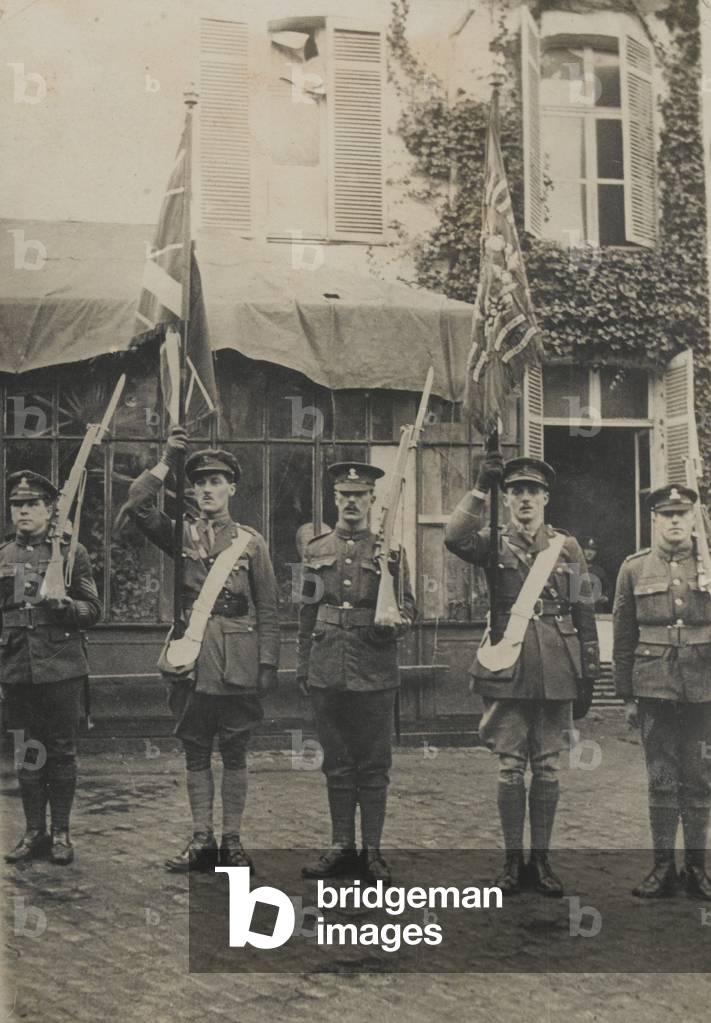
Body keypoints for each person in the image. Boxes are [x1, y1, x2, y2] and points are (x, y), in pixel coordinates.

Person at [444, 454, 599, 896]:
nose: (525, 499)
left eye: (533, 492)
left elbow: (584, 610)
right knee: (511, 765)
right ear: (507, 498)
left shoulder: (564, 547)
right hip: (507, 665)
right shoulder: (492, 541)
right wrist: (478, 489)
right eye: (516, 491)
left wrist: (588, 671)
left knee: (548, 767)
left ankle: (543, 863)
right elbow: (454, 538)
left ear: (546, 498)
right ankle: (512, 863)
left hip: (556, 666)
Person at [125, 428, 279, 872]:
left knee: (234, 750)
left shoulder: (250, 542)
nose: (207, 489)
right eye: (200, 482)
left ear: (231, 487)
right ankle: (201, 840)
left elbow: (268, 607)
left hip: (237, 662)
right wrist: (167, 458)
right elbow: (137, 505)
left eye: (216, 482)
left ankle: (231, 841)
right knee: (195, 750)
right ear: (191, 489)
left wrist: (268, 663)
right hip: (190, 662)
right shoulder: (180, 535)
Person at [296, 462, 416, 883]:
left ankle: (373, 853)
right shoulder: (315, 549)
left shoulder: (390, 552)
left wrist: (395, 621)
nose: (351, 502)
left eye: (359, 495)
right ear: (335, 499)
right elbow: (306, 610)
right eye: (344, 495)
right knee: (337, 762)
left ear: (371, 501)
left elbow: (409, 609)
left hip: (375, 670)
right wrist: (303, 665)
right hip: (327, 668)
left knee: (374, 764)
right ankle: (341, 846)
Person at [613, 484, 711, 900]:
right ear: (654, 520)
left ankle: (698, 870)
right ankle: (662, 868)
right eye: (666, 515)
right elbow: (623, 635)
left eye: (681, 514)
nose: (674, 521)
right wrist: (628, 696)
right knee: (661, 779)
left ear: (693, 520)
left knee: (700, 778)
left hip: (704, 689)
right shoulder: (633, 569)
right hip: (654, 687)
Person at [2, 471, 101, 865]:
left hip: (60, 668)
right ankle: (33, 833)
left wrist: (67, 608)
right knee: (29, 752)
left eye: (32, 505)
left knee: (60, 751)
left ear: (49, 510)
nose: (23, 512)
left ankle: (60, 833)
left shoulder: (72, 553)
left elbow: (93, 610)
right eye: (17, 505)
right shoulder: (3, 556)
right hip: (16, 668)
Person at [582, 537, 611, 611]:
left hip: (596, 609)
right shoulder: (577, 568)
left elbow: (608, 587)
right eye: (587, 549)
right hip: (580, 608)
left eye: (592, 550)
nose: (589, 553)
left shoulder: (600, 571)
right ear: (582, 550)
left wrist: (605, 597)